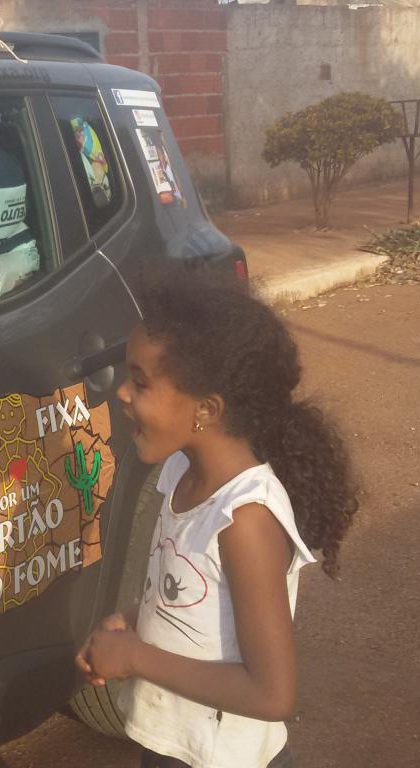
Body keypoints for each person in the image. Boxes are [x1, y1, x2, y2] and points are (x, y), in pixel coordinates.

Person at [75, 276, 359, 768]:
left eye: (140, 382)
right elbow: (191, 592)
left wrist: (136, 657)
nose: (121, 392)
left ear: (206, 409)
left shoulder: (245, 520)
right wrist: (135, 621)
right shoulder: (180, 472)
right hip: (172, 745)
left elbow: (272, 695)